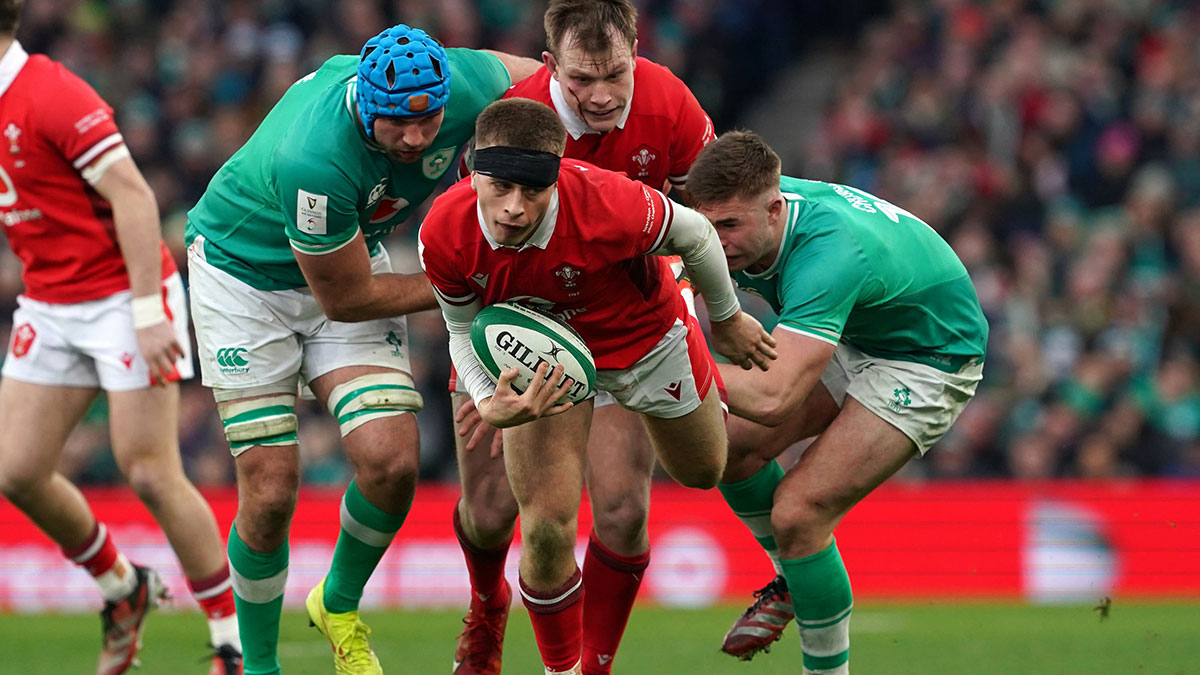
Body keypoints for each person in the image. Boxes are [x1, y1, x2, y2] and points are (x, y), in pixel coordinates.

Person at [184, 23, 538, 675]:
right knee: (269, 486)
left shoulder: (460, 81)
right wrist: (469, 282)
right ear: (363, 104)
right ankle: (259, 666)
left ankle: (336, 603)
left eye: (427, 120)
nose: (414, 138)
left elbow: (544, 83)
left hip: (348, 255)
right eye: (394, 125)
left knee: (391, 459)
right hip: (244, 277)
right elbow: (346, 298)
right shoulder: (316, 156)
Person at [419, 97, 775, 675]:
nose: (514, 207)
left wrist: (727, 316)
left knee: (703, 471)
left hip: (644, 339)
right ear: (475, 171)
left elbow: (698, 235)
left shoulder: (610, 201)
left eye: (532, 191)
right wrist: (488, 397)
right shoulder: (443, 231)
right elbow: (461, 326)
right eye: (500, 187)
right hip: (548, 357)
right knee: (547, 528)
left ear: (556, 176)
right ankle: (567, 670)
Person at [446, 1, 716, 673]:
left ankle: (587, 668)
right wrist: (483, 383)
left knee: (622, 509)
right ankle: (486, 602)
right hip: (524, 316)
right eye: (579, 80)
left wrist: (693, 302)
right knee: (489, 510)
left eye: (614, 75)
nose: (600, 96)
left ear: (636, 50)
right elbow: (469, 247)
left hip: (626, 313)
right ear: (548, 67)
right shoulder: (509, 124)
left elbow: (704, 223)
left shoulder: (673, 108)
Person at [685, 131, 988, 673]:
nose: (715, 242)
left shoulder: (828, 254)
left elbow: (776, 397)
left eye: (729, 226)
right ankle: (794, 580)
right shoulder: (751, 211)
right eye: (706, 225)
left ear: (775, 209)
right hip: (863, 328)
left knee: (799, 512)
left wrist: (655, 371)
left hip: (929, 357)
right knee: (725, 447)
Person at [0, 2, 242, 674]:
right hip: (51, 299)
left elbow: (134, 197)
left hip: (120, 294)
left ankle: (230, 639)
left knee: (148, 470)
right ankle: (123, 586)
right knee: (15, 470)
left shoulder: (49, 92)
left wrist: (146, 309)